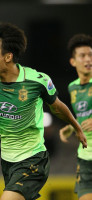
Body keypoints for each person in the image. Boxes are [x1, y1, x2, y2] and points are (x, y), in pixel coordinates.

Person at [0, 22, 87, 200]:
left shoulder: (37, 81)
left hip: (33, 159)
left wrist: (76, 127)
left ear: (8, 57)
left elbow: (58, 107)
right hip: (7, 161)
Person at [59, 34, 92, 200]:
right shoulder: (72, 88)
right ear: (73, 61)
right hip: (85, 157)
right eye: (83, 55)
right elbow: (83, 116)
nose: (88, 59)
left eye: (91, 55)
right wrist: (72, 127)